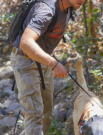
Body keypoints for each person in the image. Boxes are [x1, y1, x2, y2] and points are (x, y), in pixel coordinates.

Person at [10, 0, 85, 135]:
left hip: (43, 60)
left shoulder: (68, 8)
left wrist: (50, 62)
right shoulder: (45, 11)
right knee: (34, 115)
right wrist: (54, 64)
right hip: (25, 61)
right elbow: (26, 43)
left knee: (46, 114)